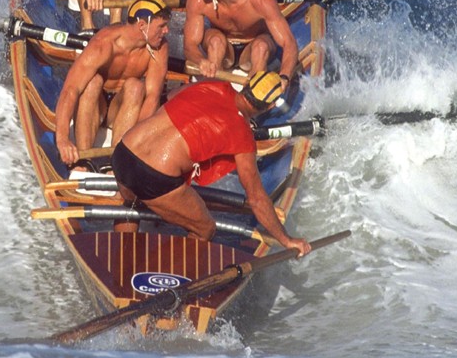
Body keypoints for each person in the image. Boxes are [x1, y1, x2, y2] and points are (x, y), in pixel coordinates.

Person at [110, 70, 310, 254]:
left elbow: (172, 96)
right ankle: (165, 275)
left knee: (132, 202)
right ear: (270, 106)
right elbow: (256, 199)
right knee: (205, 228)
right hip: (154, 176)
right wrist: (286, 239)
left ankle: (122, 257)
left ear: (247, 83)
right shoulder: (242, 135)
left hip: (123, 152)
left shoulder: (214, 85)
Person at [54, 0, 170, 172]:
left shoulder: (159, 47)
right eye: (161, 26)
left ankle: (117, 162)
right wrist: (62, 139)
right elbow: (71, 89)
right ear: (142, 25)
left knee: (135, 86)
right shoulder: (104, 43)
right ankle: (83, 160)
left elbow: (152, 97)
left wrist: (137, 145)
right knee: (93, 82)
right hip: (96, 104)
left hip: (121, 107)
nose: (166, 31)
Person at [183, 0, 300, 88]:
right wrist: (201, 61)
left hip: (252, 48)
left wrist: (284, 76)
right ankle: (213, 88)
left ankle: (255, 92)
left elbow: (289, 43)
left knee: (261, 47)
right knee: (216, 42)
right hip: (224, 48)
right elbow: (189, 45)